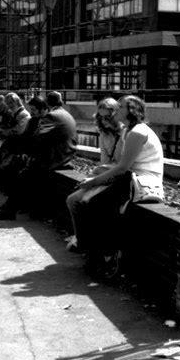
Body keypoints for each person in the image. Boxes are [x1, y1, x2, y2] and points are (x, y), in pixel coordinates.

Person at [66, 95, 164, 278]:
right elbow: (118, 165)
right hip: (130, 178)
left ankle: (102, 256)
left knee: (95, 205)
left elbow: (122, 166)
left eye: (120, 107)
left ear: (131, 111)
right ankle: (98, 256)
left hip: (140, 180)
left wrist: (94, 181)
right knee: (92, 204)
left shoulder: (138, 132)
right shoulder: (129, 130)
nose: (116, 110)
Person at [0, 90, 77, 221]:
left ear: (46, 104)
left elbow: (38, 139)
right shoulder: (65, 114)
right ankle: (15, 208)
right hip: (65, 154)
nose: (31, 112)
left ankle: (9, 212)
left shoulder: (52, 116)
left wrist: (28, 154)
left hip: (57, 156)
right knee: (24, 171)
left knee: (23, 175)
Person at [66, 97, 125, 252]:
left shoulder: (126, 133)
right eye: (101, 117)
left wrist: (96, 177)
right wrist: (94, 178)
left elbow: (120, 165)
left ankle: (90, 245)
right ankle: (81, 239)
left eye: (108, 117)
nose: (104, 121)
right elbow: (104, 162)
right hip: (106, 175)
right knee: (72, 200)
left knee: (88, 201)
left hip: (119, 178)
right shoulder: (103, 134)